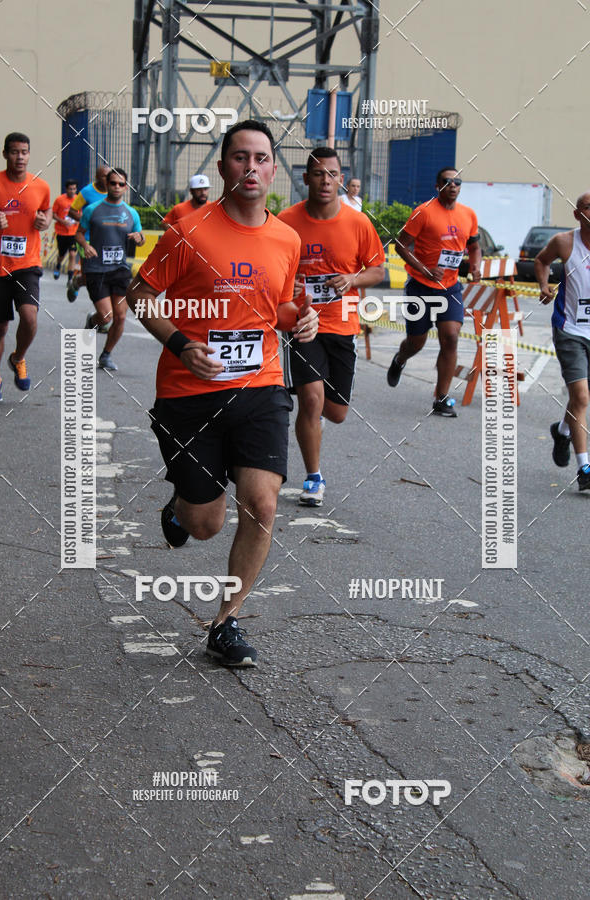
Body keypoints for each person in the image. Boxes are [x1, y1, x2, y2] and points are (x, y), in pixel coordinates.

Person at [127, 119, 317, 667]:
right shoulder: (188, 230)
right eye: (240, 157)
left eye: (261, 158)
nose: (250, 167)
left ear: (274, 169)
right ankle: (183, 507)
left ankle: (225, 622)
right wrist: (182, 343)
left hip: (259, 388)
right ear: (223, 166)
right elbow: (142, 294)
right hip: (189, 395)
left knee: (262, 503)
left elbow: (275, 306)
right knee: (206, 523)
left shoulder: (286, 237)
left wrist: (298, 320)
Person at [278, 147, 385, 506]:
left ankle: (317, 420)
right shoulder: (285, 221)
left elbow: (378, 270)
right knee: (310, 399)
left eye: (332, 174)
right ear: (305, 178)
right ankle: (313, 478)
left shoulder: (358, 222)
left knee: (335, 413)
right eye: (318, 173)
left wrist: (352, 279)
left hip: (342, 325)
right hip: (302, 324)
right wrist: (287, 288)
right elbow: (270, 269)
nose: (325, 180)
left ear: (341, 179)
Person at [386, 167, 481, 417]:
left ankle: (441, 398)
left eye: (457, 181)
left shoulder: (468, 214)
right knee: (417, 341)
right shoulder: (424, 212)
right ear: (437, 186)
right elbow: (400, 245)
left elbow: (475, 246)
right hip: (420, 285)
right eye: (447, 181)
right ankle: (400, 359)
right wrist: (425, 269)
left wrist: (476, 266)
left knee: (450, 336)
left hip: (449, 287)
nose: (453, 185)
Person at [0, 132, 51, 402]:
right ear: (5, 154)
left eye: (24, 152)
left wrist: (45, 221)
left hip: (27, 264)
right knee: (0, 326)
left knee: (29, 317)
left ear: (29, 154)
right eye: (14, 152)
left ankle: (18, 357)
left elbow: (46, 211)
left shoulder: (41, 187)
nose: (20, 157)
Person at [535, 192, 590, 491]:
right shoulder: (564, 242)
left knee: (582, 396)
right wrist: (544, 285)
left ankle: (562, 430)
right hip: (570, 329)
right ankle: (585, 467)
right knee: (581, 397)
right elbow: (541, 261)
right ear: (577, 214)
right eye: (589, 207)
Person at [76, 168, 144, 371]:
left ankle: (106, 355)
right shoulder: (92, 209)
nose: (116, 187)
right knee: (106, 317)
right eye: (113, 183)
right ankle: (93, 320)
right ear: (107, 184)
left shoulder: (131, 213)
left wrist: (139, 238)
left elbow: (140, 238)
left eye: (120, 184)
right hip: (97, 269)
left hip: (120, 270)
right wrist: (86, 245)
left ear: (126, 187)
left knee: (121, 316)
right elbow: (79, 234)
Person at [66, 165, 110, 302]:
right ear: (97, 177)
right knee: (88, 277)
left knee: (106, 275)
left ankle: (104, 308)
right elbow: (72, 211)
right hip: (87, 239)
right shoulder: (87, 192)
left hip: (106, 239)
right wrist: (88, 220)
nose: (108, 179)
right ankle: (77, 282)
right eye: (104, 176)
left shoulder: (113, 190)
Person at [52, 179, 78, 285]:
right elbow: (53, 214)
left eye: (74, 189)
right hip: (62, 232)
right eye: (70, 189)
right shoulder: (59, 200)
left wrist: (77, 220)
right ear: (66, 189)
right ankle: (58, 265)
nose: (72, 191)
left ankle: (70, 279)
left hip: (73, 232)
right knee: (61, 255)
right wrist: (63, 221)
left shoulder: (78, 200)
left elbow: (79, 214)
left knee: (72, 254)